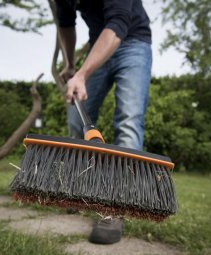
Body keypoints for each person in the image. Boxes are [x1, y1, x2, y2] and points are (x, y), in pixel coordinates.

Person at [55, 0, 152, 244]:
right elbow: (66, 24)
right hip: (97, 45)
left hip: (133, 43)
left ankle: (115, 205)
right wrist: (69, 63)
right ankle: (80, 191)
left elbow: (118, 23)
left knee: (129, 121)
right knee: (77, 120)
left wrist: (81, 74)